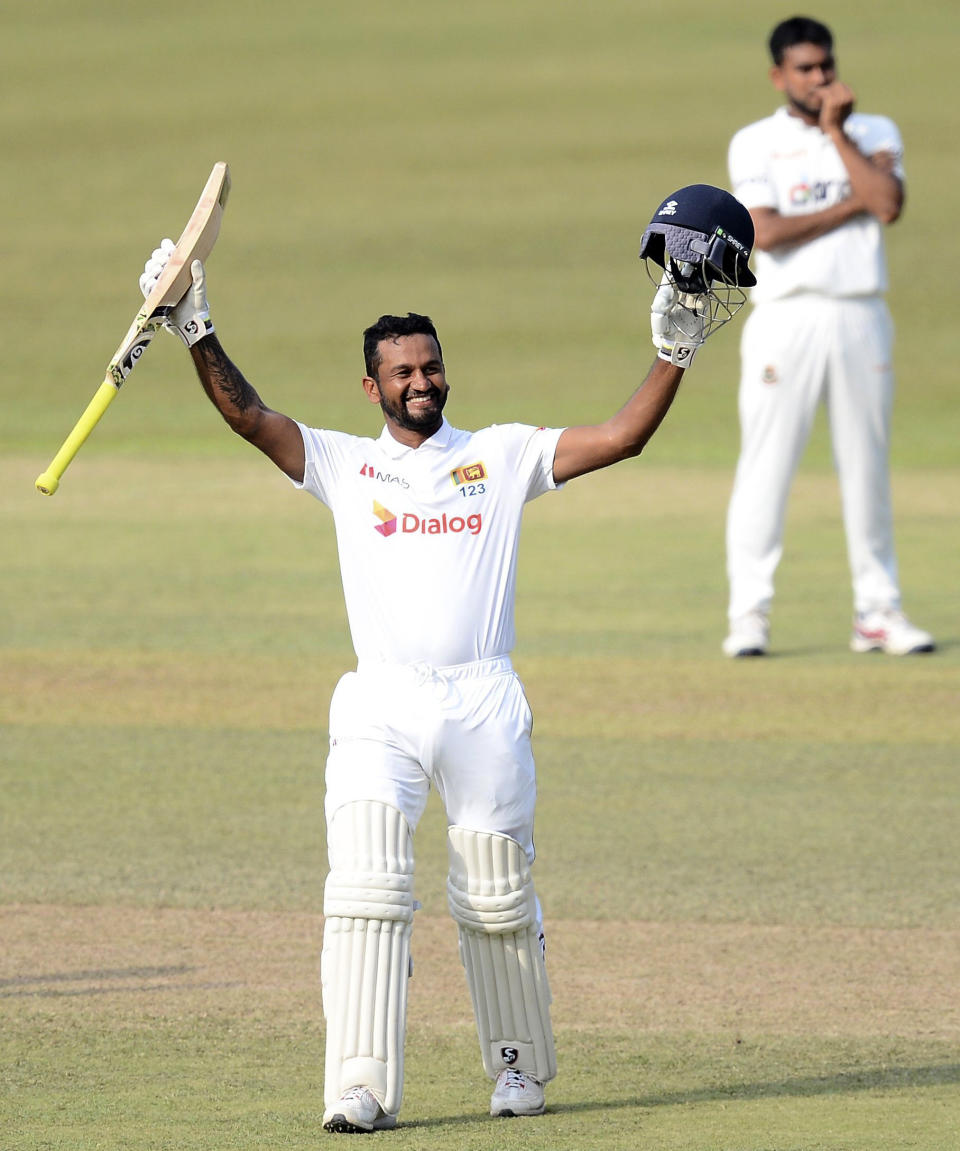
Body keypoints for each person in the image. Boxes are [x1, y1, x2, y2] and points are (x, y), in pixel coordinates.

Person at [139, 183, 754, 1133]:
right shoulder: (347, 465)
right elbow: (250, 418)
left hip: (482, 700)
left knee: (496, 895)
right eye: (401, 371)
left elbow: (623, 437)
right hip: (379, 701)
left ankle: (517, 1071)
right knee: (367, 887)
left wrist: (673, 352)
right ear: (372, 387)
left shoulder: (502, 456)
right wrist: (193, 325)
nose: (420, 381)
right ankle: (361, 1086)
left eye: (430, 365)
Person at [722, 15, 935, 658]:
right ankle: (749, 615)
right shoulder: (755, 142)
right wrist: (851, 205)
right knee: (767, 467)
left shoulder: (874, 130)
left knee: (867, 467)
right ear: (779, 75)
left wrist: (838, 133)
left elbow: (889, 205)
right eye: (805, 69)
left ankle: (877, 612)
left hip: (860, 313)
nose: (819, 79)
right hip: (785, 317)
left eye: (826, 66)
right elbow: (765, 231)